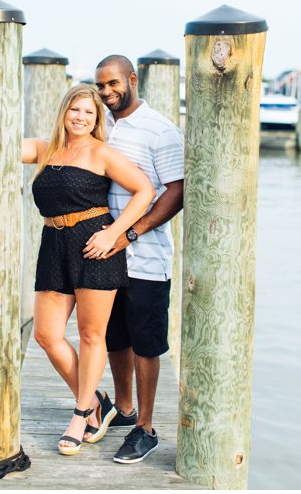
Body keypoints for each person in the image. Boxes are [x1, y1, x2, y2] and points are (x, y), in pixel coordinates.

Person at [21, 84, 154, 456]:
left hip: (95, 246)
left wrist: (114, 233)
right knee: (46, 335)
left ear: (97, 120)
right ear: (63, 112)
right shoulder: (45, 148)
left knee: (92, 335)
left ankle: (81, 413)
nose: (80, 118)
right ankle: (97, 399)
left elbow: (144, 190)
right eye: (75, 110)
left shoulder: (102, 153)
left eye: (89, 113)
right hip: (53, 244)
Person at [92, 54, 184, 464]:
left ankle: (146, 428)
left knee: (147, 344)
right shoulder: (101, 126)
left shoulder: (160, 130)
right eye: (101, 86)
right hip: (105, 256)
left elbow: (176, 191)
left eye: (113, 83)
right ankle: (124, 410)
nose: (107, 92)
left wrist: (130, 233)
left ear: (132, 79)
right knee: (115, 337)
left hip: (146, 257)